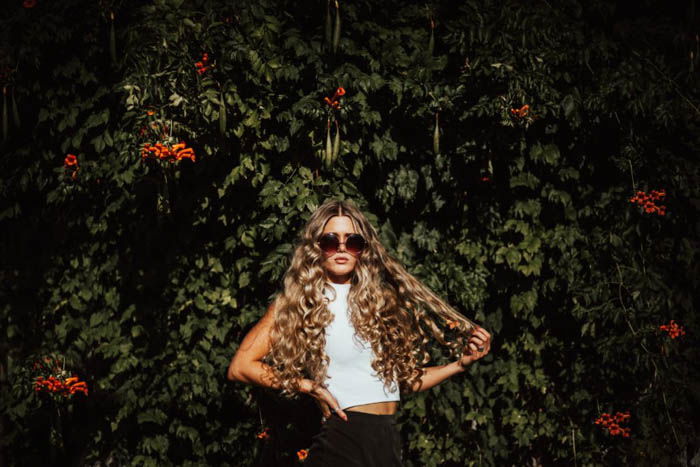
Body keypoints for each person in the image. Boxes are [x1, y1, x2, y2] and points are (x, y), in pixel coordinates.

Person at [227, 199, 491, 466]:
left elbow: (403, 382)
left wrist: (459, 365)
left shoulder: (379, 303)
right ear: (316, 248)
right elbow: (240, 366)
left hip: (386, 441)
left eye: (352, 241)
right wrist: (308, 386)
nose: (342, 248)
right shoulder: (301, 303)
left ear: (363, 250)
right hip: (343, 440)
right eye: (331, 241)